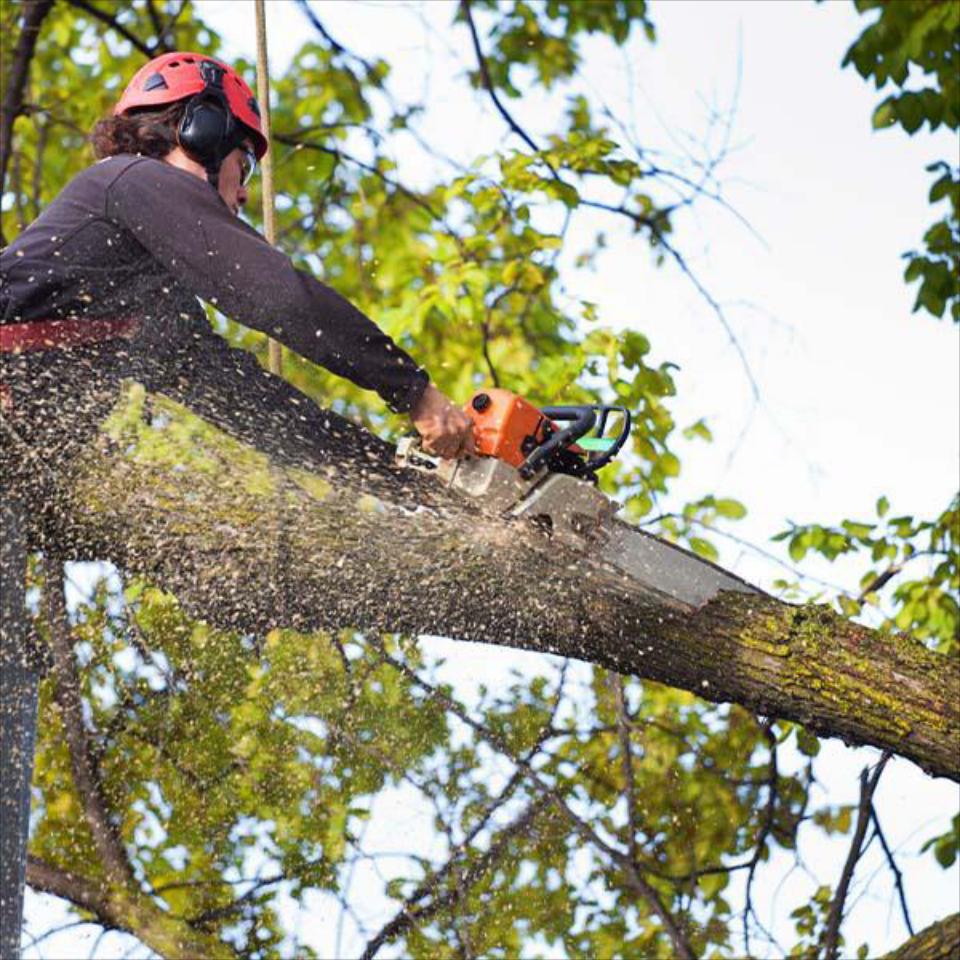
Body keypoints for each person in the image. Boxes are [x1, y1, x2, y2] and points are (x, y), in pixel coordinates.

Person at [0, 51, 475, 478]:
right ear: (201, 131)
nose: (245, 191)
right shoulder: (132, 180)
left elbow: (258, 408)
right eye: (243, 165)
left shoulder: (155, 308)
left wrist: (406, 480)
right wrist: (415, 393)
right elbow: (280, 298)